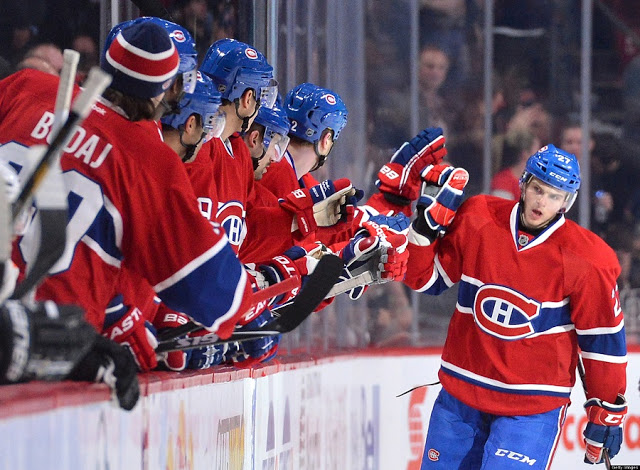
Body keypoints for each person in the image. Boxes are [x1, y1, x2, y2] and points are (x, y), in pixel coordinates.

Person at [404, 145, 627, 467]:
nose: (541, 202)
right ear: (523, 184)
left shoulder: (589, 260)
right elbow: (428, 281)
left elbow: (602, 344)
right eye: (537, 189)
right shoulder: (479, 216)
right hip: (461, 396)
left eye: (554, 196)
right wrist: (422, 236)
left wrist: (606, 412)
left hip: (532, 409)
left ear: (567, 201)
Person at [490, 127, 540, 200]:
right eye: (537, 151)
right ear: (525, 154)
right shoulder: (503, 181)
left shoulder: (538, 182)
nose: (541, 156)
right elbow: (502, 209)